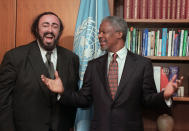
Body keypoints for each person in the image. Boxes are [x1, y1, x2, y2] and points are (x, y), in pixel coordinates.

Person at [41, 16, 183, 131]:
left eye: (104, 32)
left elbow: (147, 99)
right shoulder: (93, 66)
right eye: (99, 32)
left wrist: (164, 95)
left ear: (119, 34)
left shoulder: (142, 64)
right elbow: (84, 100)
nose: (99, 36)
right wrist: (62, 92)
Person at [0, 12, 79, 131]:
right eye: (45, 25)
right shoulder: (15, 57)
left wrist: (62, 93)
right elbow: (3, 100)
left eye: (55, 26)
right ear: (36, 29)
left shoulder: (72, 58)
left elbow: (74, 97)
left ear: (59, 31)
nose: (50, 30)